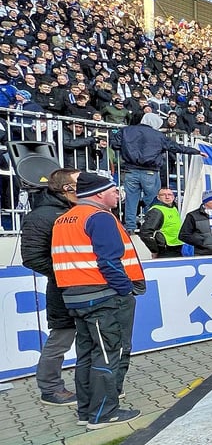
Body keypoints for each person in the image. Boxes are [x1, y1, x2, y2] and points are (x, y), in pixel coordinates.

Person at [51, 171, 144, 429]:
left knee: (86, 356)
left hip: (74, 297)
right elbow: (109, 262)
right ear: (100, 194)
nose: (117, 194)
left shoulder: (64, 219)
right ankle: (104, 414)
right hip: (101, 297)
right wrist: (124, 289)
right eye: (114, 190)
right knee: (107, 354)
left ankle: (86, 412)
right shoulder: (99, 217)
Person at [20, 167, 79, 406]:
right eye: (79, 182)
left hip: (83, 287)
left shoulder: (74, 211)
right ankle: (50, 388)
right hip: (62, 289)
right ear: (67, 188)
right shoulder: (41, 216)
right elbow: (32, 257)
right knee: (61, 339)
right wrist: (66, 273)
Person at [109, 123, 206, 231]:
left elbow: (115, 144)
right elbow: (175, 147)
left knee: (131, 200)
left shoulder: (126, 130)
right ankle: (150, 227)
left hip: (131, 170)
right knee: (152, 201)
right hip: (150, 171)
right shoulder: (158, 135)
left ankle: (130, 228)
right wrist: (196, 151)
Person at [139, 187, 185, 258]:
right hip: (166, 250)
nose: (167, 197)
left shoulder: (174, 208)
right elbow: (145, 233)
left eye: (169, 194)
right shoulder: (156, 211)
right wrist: (154, 250)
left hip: (177, 247)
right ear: (158, 197)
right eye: (163, 195)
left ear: (173, 197)